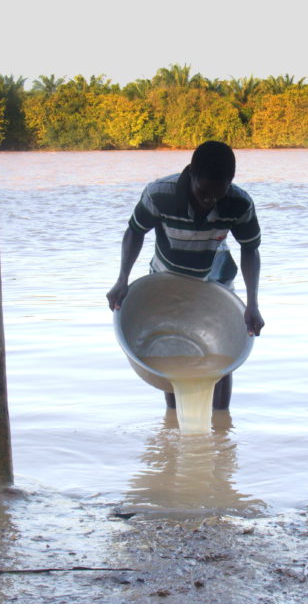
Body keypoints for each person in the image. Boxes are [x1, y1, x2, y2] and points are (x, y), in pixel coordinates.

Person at [107, 140, 264, 410]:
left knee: (224, 355)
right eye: (204, 192)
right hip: (166, 276)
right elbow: (135, 232)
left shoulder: (238, 203)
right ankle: (173, 415)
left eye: (218, 194)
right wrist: (122, 278)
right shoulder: (160, 194)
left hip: (214, 278)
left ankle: (221, 425)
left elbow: (250, 249)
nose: (209, 201)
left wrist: (252, 304)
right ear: (190, 173)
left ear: (230, 184)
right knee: (169, 347)